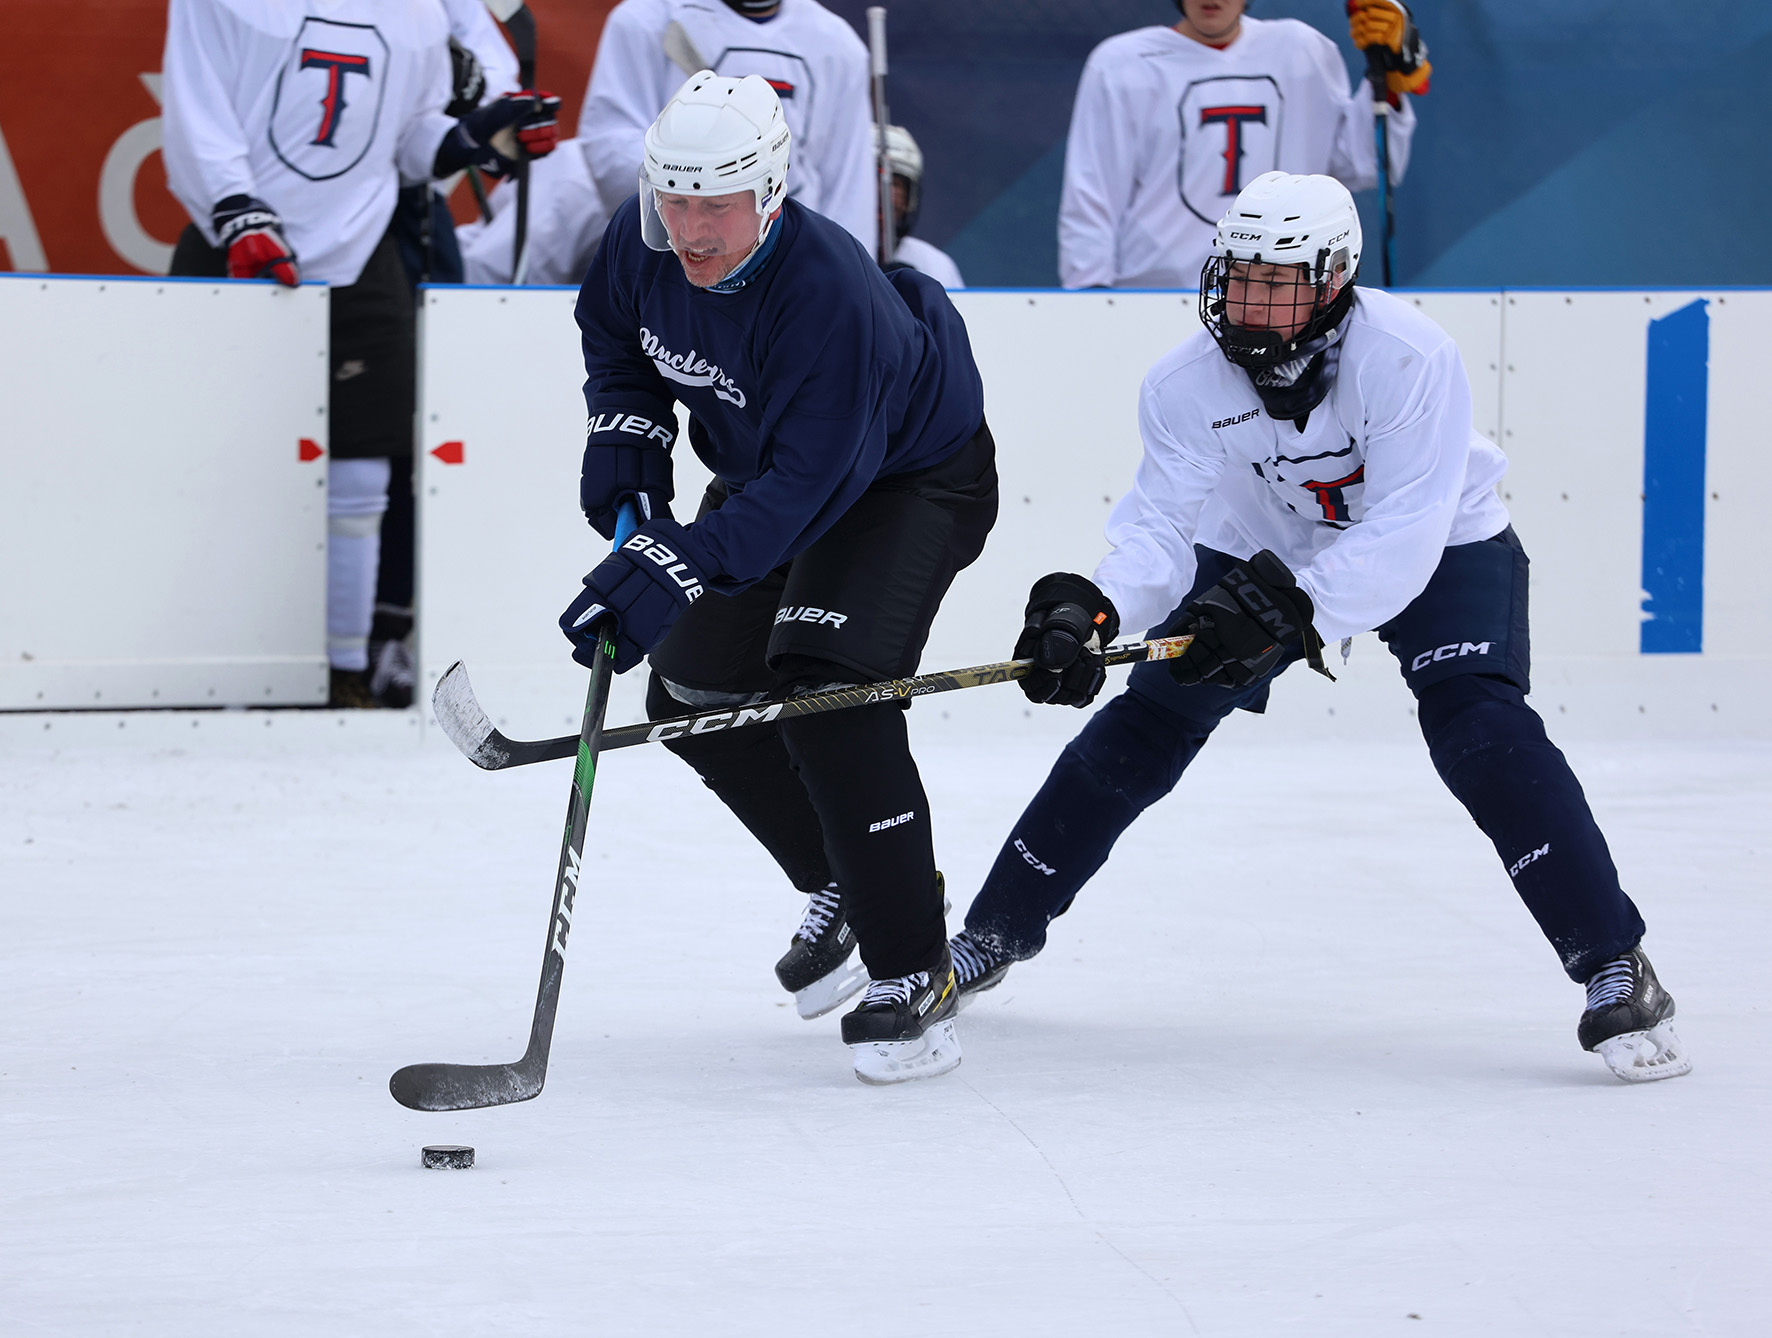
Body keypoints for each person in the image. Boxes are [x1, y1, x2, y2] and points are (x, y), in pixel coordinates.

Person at [948, 171, 1690, 1086]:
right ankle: (992, 933)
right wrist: (1093, 609)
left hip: (1440, 541)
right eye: (1238, 274)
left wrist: (1293, 613)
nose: (1250, 301)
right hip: (1255, 544)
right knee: (1148, 719)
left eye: (1278, 279)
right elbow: (1158, 530)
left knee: (1480, 727)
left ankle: (1613, 961)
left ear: (1335, 277)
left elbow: (1405, 534)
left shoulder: (1410, 358)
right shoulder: (1183, 383)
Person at [560, 71, 997, 1084]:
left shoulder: (827, 296)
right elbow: (617, 346)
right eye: (674, 202)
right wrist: (625, 444)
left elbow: (812, 488)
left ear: (768, 193)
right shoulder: (641, 243)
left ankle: (913, 972)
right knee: (690, 692)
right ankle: (843, 877)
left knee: (826, 695)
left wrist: (669, 561)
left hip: (904, 482)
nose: (693, 231)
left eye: (717, 205)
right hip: (773, 476)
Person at [161, 0, 559, 707]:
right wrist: (233, 206)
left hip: (362, 240)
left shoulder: (418, 13)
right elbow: (198, 100)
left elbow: (405, 140)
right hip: (238, 243)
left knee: (368, 458)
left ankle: (346, 669)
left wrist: (478, 134)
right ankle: (201, 655)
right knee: (203, 456)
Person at [1058, 0, 1428, 290]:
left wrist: (1389, 87)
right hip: (1155, 293)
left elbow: (1362, 166)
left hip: (1283, 292)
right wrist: (1089, 292)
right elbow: (1093, 192)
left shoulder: (1302, 49)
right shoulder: (1122, 62)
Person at [878, 124, 963, 289]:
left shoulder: (935, 265)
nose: (883, 194)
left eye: (895, 184)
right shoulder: (826, 257)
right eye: (870, 182)